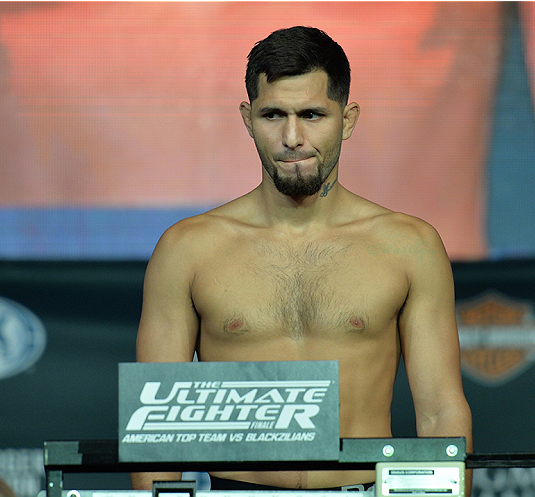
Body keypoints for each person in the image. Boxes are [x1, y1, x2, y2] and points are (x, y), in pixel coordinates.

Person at [131, 26, 472, 493]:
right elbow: (157, 428)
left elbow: (439, 410)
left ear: (347, 119)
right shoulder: (187, 249)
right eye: (274, 114)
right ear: (248, 118)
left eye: (312, 114)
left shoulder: (409, 245)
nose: (292, 137)